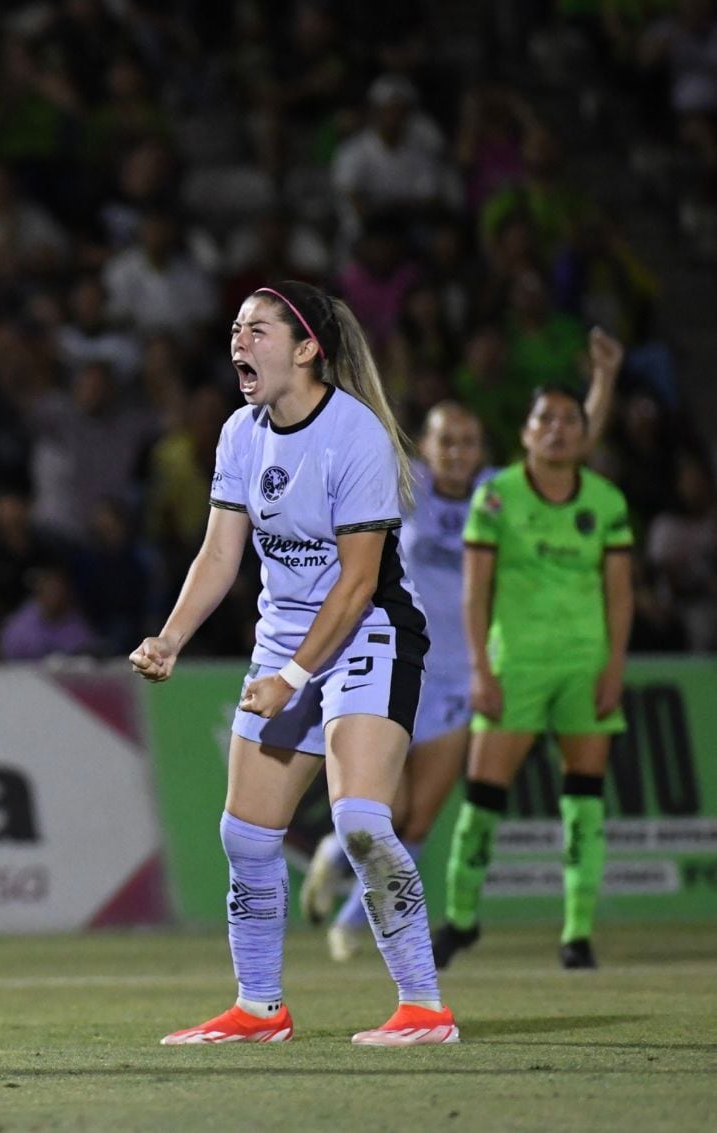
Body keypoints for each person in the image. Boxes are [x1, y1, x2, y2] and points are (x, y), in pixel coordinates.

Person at [131, 280, 457, 1046]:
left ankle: (425, 1007)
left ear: (308, 348)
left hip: (368, 634)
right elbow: (219, 552)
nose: (240, 341)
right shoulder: (240, 433)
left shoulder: (357, 435)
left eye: (259, 330)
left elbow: (358, 582)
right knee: (245, 836)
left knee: (362, 821)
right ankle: (259, 1007)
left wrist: (293, 678)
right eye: (236, 328)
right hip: (284, 643)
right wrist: (172, 638)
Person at [307, 331, 622, 959]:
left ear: (482, 451)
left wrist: (603, 383)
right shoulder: (405, 485)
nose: (456, 452)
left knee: (420, 820)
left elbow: (568, 452)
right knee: (384, 809)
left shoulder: (496, 494)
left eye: (468, 442)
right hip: (398, 666)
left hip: (458, 681)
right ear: (425, 447)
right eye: (445, 441)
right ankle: (331, 858)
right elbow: (367, 419)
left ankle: (349, 920)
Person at [432, 385, 634, 971]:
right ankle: (463, 920)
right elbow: (475, 591)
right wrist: (481, 667)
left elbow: (620, 595)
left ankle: (576, 933)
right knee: (483, 799)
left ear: (584, 433)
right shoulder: (495, 497)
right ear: (525, 433)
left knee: (584, 800)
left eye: (570, 420)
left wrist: (614, 666)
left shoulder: (607, 500)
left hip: (584, 665)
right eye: (545, 418)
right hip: (514, 665)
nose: (558, 429)